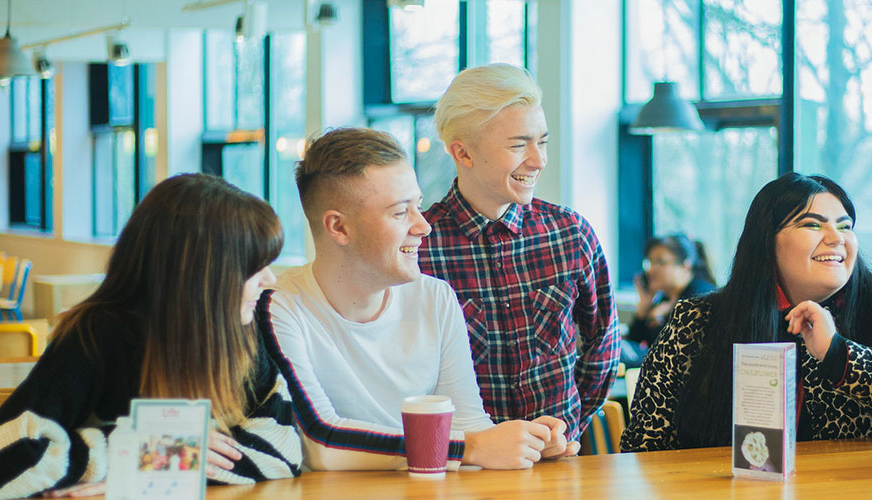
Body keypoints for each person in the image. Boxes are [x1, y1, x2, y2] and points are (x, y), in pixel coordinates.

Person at [0, 174, 301, 500]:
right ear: (203, 275)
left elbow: (282, 448)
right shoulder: (99, 335)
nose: (269, 279)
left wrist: (172, 459)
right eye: (253, 268)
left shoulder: (242, 333)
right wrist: (136, 451)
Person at [265, 127, 577, 472]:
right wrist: (471, 447)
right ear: (338, 228)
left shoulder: (436, 297)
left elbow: (468, 427)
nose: (423, 226)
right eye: (401, 213)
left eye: (419, 206)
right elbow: (320, 441)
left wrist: (523, 445)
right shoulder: (279, 305)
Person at [621, 173, 872, 452]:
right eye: (813, 225)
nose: (836, 238)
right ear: (767, 241)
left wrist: (839, 353)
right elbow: (644, 447)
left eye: (845, 226)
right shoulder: (697, 320)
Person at [419, 63, 620, 439]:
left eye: (541, 141)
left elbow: (603, 343)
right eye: (518, 145)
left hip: (559, 463)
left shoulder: (569, 234)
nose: (538, 160)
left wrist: (565, 428)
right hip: (462, 467)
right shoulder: (419, 247)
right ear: (463, 153)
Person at [622, 234, 717, 367]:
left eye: (660, 262)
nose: (651, 270)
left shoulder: (700, 297)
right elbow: (633, 345)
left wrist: (657, 319)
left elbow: (675, 354)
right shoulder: (665, 298)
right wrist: (644, 306)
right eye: (650, 262)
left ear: (685, 265)